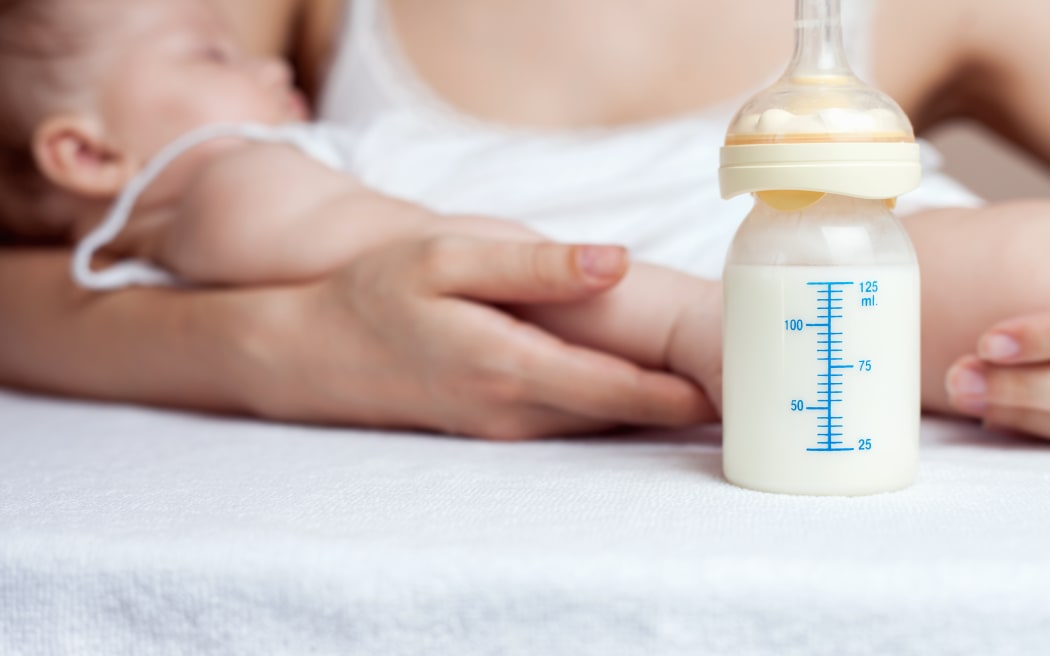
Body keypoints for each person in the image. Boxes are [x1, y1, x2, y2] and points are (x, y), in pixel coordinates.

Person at [1, 0, 1049, 440]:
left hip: (787, 241)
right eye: (214, 58)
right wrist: (698, 323)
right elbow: (479, 269)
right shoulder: (233, 180)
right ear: (84, 152)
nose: (272, 71)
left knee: (1006, 267)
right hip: (677, 274)